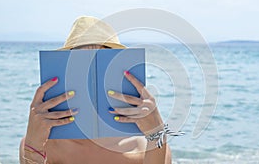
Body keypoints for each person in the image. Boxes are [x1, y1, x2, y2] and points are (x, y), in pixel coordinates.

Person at [19, 16, 172, 164]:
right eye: (81, 67)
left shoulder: (144, 143)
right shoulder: (45, 144)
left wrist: (156, 132)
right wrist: (33, 145)